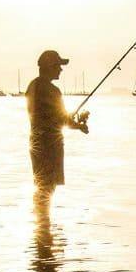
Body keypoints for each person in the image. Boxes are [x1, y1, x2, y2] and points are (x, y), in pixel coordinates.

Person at [26, 49, 88, 195]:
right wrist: (79, 126)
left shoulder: (33, 86)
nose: (60, 69)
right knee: (47, 189)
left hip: (36, 143)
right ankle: (43, 218)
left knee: (42, 188)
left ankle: (41, 217)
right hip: (50, 146)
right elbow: (61, 119)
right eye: (58, 65)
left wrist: (70, 119)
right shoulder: (53, 90)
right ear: (49, 67)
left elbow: (50, 116)